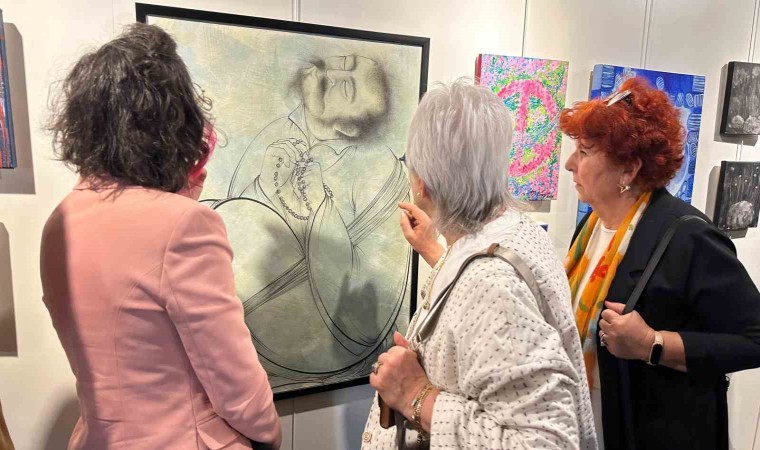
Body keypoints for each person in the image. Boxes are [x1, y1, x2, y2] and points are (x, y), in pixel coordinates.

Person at [42, 23, 281, 450]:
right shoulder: (183, 224)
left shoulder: (61, 218)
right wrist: (270, 434)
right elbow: (235, 382)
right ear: (171, 123)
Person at [360, 80, 597, 449]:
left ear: (422, 185)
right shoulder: (515, 232)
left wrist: (415, 395)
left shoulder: (492, 283)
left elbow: (548, 442)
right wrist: (434, 249)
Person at [560, 76, 760, 449]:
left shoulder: (689, 236)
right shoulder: (590, 228)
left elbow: (754, 339)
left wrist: (652, 343)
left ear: (628, 170)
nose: (571, 164)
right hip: (587, 428)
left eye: (584, 152)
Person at [209, 55, 410, 389]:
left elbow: (362, 319)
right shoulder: (277, 131)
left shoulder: (380, 169)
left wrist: (321, 206)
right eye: (345, 62)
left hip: (317, 343)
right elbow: (234, 228)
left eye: (346, 87)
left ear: (349, 127)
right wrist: (263, 188)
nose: (334, 72)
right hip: (241, 323)